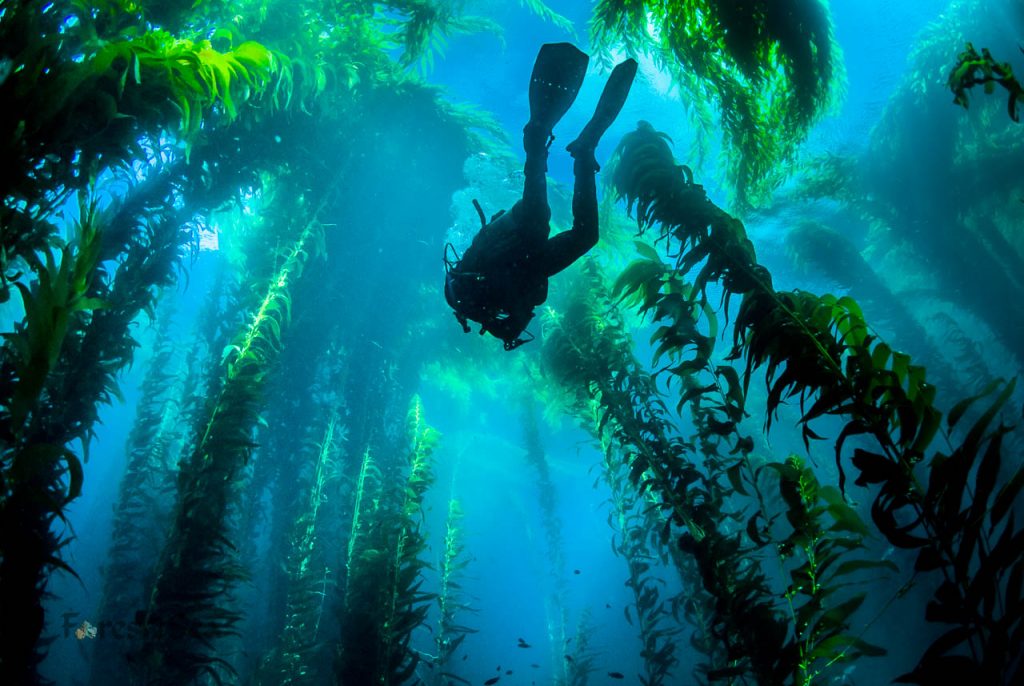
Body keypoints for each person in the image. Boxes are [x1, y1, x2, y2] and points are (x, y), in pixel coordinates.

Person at [444, 43, 638, 350]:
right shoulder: (491, 306)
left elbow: (509, 299)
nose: (526, 321)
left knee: (536, 218)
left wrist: (509, 324)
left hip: (514, 239)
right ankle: (584, 150)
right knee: (586, 236)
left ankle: (536, 137)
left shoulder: (476, 300)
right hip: (529, 260)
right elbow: (523, 301)